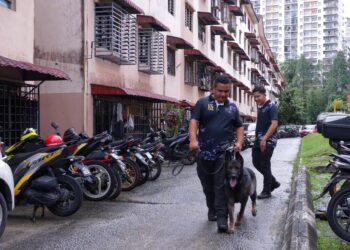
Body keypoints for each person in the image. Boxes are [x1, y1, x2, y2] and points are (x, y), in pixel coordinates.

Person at [189, 75, 244, 233]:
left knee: (221, 186)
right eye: (220, 91)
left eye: (226, 91)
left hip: (224, 155)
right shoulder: (203, 103)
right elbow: (194, 122)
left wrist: (239, 142)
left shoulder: (232, 108)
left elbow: (239, 127)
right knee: (208, 187)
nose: (223, 94)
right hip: (204, 153)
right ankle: (211, 208)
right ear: (214, 88)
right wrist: (193, 140)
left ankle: (222, 218)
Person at [252, 85, 280, 199]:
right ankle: (273, 182)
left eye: (258, 96)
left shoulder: (271, 106)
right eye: (254, 97)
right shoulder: (261, 107)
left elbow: (274, 124)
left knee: (265, 165)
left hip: (267, 142)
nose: (256, 99)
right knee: (255, 162)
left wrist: (264, 139)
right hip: (258, 141)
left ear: (264, 94)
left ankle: (267, 190)